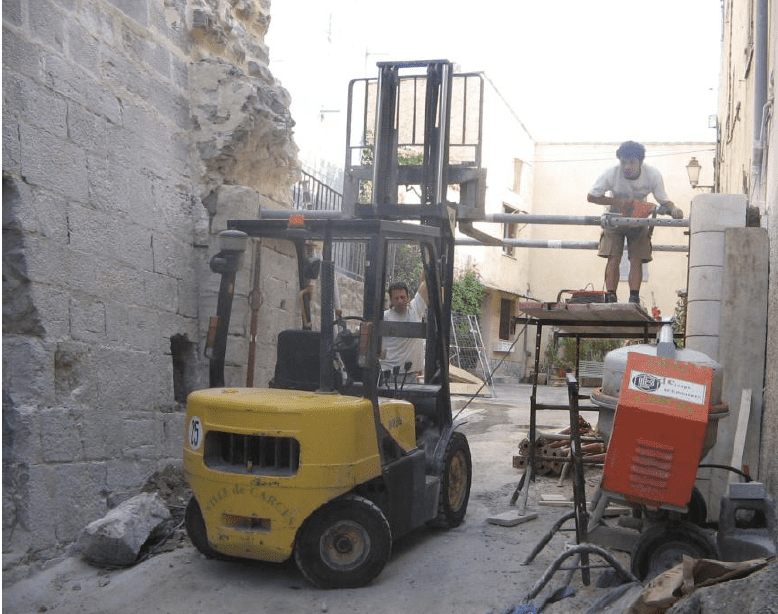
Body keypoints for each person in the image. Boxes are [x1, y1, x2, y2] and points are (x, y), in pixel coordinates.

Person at [587, 141, 684, 304]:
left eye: (631, 162)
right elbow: (591, 196)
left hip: (638, 218)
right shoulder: (611, 173)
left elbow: (663, 199)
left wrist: (674, 209)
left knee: (637, 257)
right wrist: (618, 202)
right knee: (613, 256)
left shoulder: (652, 174)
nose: (627, 166)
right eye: (623, 162)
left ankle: (634, 297)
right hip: (615, 217)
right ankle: (611, 295)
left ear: (640, 162)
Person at [380, 279, 428, 379]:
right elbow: (362, 330)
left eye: (402, 297)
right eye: (396, 298)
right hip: (388, 375)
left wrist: (428, 263)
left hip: (410, 374)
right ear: (391, 300)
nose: (400, 301)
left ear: (408, 298)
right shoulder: (384, 317)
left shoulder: (415, 310)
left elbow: (425, 281)